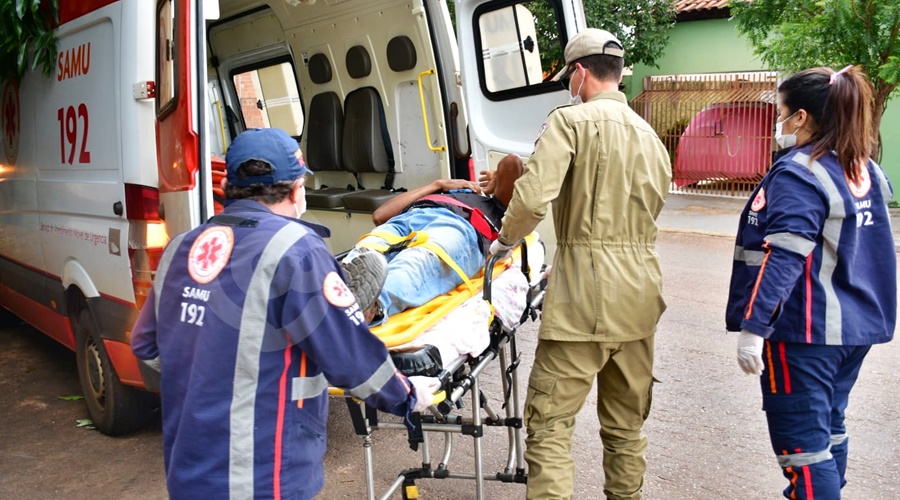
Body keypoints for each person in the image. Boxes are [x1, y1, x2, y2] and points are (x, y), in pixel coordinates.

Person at [131, 128, 439, 499]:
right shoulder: (298, 251)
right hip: (263, 476)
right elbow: (351, 357)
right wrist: (405, 395)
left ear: (228, 185)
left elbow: (146, 347)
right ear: (297, 190)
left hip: (188, 470)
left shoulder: (181, 247)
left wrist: (205, 379)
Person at [488, 29, 671, 500]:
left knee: (549, 425)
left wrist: (505, 242)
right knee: (626, 427)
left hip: (581, 303)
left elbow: (531, 200)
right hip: (640, 299)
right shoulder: (651, 136)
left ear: (580, 73)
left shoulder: (569, 122)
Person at [726, 66, 896, 499]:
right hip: (854, 329)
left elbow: (783, 257)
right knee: (829, 429)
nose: (778, 123)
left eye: (781, 113)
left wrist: (754, 328)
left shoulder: (801, 172)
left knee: (803, 449)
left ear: (801, 117)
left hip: (806, 332)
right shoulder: (866, 169)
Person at [344, 153, 524, 324]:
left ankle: (370, 308)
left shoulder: (498, 208)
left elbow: (512, 163)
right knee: (364, 252)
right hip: (406, 220)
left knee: (417, 260)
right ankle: (338, 294)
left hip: (457, 225)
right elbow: (380, 215)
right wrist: (438, 184)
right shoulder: (441, 192)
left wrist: (498, 178)